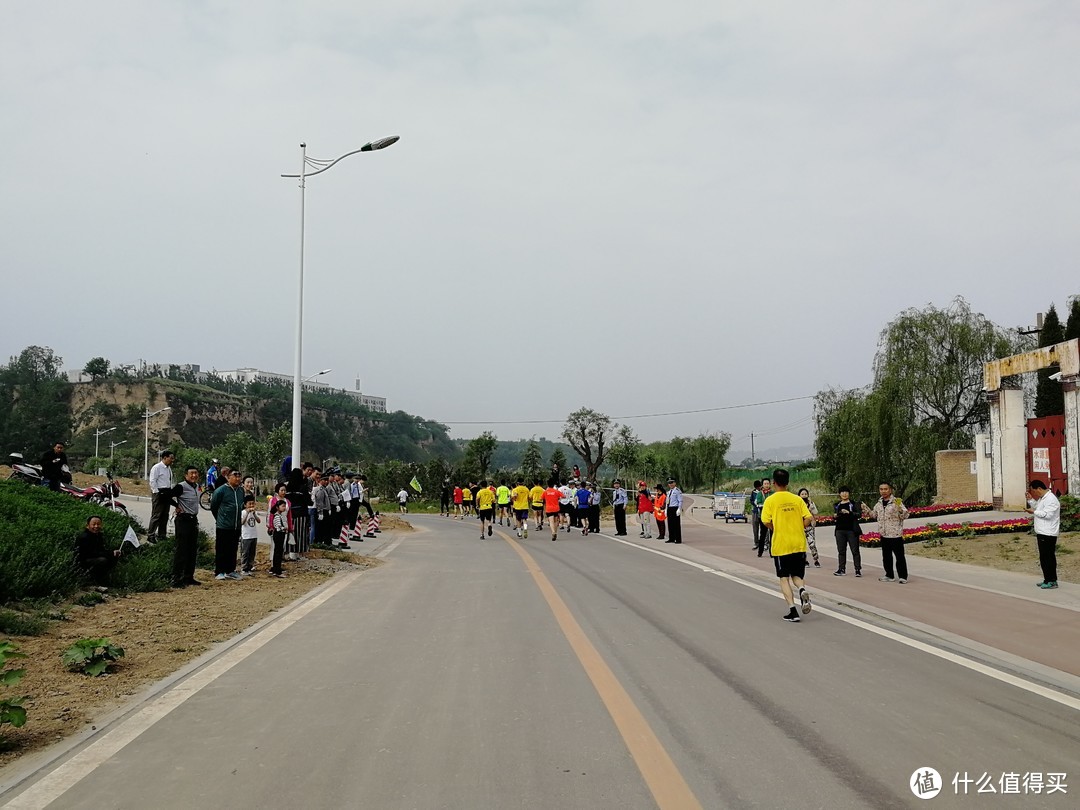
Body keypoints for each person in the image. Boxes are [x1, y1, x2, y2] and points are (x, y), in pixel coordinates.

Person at [761, 468, 814, 622]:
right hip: (798, 543)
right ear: (788, 482)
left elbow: (765, 521)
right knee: (797, 575)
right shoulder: (797, 499)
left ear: (773, 483)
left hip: (781, 544)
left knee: (784, 578)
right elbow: (809, 518)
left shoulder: (770, 500)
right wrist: (800, 526)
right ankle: (802, 589)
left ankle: (793, 611)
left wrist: (776, 527)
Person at [865, 482, 910, 583]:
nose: (883, 491)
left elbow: (905, 515)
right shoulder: (879, 503)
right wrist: (866, 509)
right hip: (884, 534)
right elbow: (874, 515)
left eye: (885, 489)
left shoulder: (896, 502)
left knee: (899, 557)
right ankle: (889, 575)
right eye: (881, 489)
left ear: (890, 490)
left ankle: (903, 576)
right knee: (886, 557)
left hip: (895, 534)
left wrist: (900, 510)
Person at [169, 465, 203, 587]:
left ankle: (189, 577)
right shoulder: (181, 486)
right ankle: (176, 579)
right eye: (191, 473)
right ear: (186, 475)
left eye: (196, 473)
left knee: (192, 550)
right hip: (183, 520)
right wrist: (176, 506)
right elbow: (167, 496)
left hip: (193, 520)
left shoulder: (197, 487)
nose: (194, 475)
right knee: (181, 550)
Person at [210, 469, 245, 580]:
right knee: (222, 549)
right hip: (223, 525)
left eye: (239, 476)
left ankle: (230, 570)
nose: (238, 478)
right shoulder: (221, 491)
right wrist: (220, 518)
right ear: (228, 477)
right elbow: (214, 506)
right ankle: (219, 571)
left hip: (236, 525)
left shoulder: (241, 491)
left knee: (233, 548)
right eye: (235, 475)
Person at [1026, 479, 1061, 589]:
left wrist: (1034, 512)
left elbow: (1047, 514)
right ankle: (1047, 579)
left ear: (1039, 488)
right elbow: (1038, 507)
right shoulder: (1043, 498)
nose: (1034, 494)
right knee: (1044, 557)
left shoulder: (1051, 499)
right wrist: (1031, 501)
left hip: (1048, 533)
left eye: (1034, 491)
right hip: (1042, 532)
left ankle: (1052, 580)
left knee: (1048, 557)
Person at [75, 515, 121, 585]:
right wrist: (109, 553)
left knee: (115, 556)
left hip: (94, 556)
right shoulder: (84, 537)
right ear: (88, 526)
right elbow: (90, 553)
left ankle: (105, 579)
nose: (96, 526)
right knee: (102, 560)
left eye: (98, 524)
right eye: (93, 524)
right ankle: (92, 580)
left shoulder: (98, 536)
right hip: (83, 561)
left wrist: (112, 553)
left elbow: (101, 549)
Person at [832, 486, 862, 577]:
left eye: (846, 492)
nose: (844, 494)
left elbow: (859, 515)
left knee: (855, 550)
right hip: (840, 530)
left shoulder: (853, 503)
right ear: (839, 494)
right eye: (842, 492)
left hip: (851, 530)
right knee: (841, 551)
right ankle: (841, 569)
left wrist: (849, 512)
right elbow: (835, 516)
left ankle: (857, 569)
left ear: (849, 493)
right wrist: (835, 516)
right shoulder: (837, 504)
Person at [147, 450, 175, 542]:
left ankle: (162, 535)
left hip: (167, 493)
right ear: (165, 458)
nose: (172, 460)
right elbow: (152, 481)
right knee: (156, 515)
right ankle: (151, 534)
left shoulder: (168, 468)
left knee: (165, 515)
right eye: (170, 458)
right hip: (159, 493)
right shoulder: (157, 468)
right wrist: (156, 492)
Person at [285, 467, 311, 557]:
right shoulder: (302, 488)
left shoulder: (287, 488)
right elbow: (309, 501)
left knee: (290, 533)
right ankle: (300, 553)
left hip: (289, 514)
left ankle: (288, 552)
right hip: (301, 514)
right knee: (301, 534)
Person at [797, 488, 821, 568]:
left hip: (810, 527)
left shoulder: (811, 503)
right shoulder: (797, 504)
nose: (804, 495)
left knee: (812, 544)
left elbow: (815, 512)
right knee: (802, 545)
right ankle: (804, 561)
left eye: (805, 494)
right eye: (802, 494)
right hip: (800, 526)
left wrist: (811, 505)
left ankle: (816, 559)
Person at [239, 494, 261, 575]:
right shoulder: (243, 512)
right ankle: (244, 568)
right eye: (249, 504)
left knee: (252, 553)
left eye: (253, 503)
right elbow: (242, 522)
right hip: (246, 536)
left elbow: (259, 521)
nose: (251, 505)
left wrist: (254, 514)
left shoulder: (254, 512)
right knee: (245, 552)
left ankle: (250, 567)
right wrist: (247, 513)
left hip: (254, 535)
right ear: (245, 505)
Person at [270, 498, 291, 578]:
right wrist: (284, 528)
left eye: (285, 506)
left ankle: (275, 568)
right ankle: (277, 570)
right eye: (282, 506)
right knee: (278, 552)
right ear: (277, 507)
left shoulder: (279, 515)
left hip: (279, 535)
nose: (284, 508)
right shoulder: (277, 516)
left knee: (278, 551)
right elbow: (278, 527)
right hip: (278, 535)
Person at [756, 478, 773, 556]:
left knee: (772, 534)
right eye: (765, 484)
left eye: (767, 483)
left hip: (772, 517)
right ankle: (760, 551)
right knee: (763, 534)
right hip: (763, 516)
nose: (766, 485)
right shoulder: (760, 493)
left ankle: (772, 552)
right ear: (762, 485)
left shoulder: (773, 493)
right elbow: (758, 503)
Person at [665, 478, 683, 544]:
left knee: (676, 525)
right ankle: (671, 538)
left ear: (675, 483)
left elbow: (680, 501)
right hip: (670, 508)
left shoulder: (677, 491)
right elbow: (667, 502)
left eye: (672, 483)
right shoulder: (669, 492)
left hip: (675, 508)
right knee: (670, 524)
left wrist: (679, 509)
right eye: (669, 483)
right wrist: (666, 509)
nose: (671, 484)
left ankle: (678, 539)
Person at [750, 480, 764, 551]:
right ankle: (756, 542)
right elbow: (751, 500)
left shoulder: (763, 492)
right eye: (757, 487)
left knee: (763, 529)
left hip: (762, 511)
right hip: (755, 511)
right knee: (755, 528)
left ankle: (764, 543)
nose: (759, 488)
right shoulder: (753, 492)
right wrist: (755, 504)